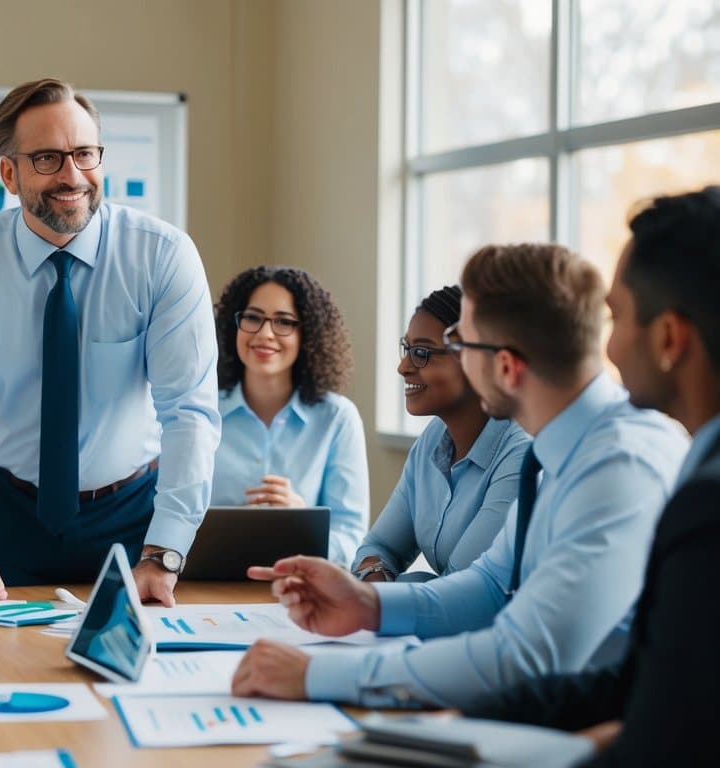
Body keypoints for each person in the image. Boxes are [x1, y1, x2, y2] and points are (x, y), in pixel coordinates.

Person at [229, 242, 687, 710]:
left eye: (461, 344)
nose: (455, 359)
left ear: (505, 367)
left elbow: (522, 655)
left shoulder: (617, 465)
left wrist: (317, 674)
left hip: (596, 727)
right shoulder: (559, 452)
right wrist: (366, 604)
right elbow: (491, 583)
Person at [0, 78, 220, 607]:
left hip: (131, 519)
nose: (73, 175)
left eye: (84, 153)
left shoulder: (161, 256)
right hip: (3, 515)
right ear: (9, 173)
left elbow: (189, 412)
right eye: (49, 158)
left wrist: (165, 550)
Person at [463, 187, 720, 765]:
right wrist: (471, 722)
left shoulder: (702, 503)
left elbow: (661, 740)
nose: (605, 344)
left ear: (669, 340)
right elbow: (638, 687)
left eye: (616, 315)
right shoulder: (698, 472)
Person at [351, 286, 529, 582]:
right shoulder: (433, 440)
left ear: (476, 360)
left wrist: (377, 595)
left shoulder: (520, 452)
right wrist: (375, 584)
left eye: (421, 353)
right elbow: (378, 547)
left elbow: (463, 591)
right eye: (407, 349)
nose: (403, 367)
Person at [211, 266, 368, 566]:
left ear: (307, 334)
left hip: (303, 584)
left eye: (284, 322)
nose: (265, 334)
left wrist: (303, 524)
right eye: (253, 318)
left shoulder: (338, 418)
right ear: (235, 325)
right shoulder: (202, 411)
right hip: (206, 580)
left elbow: (352, 537)